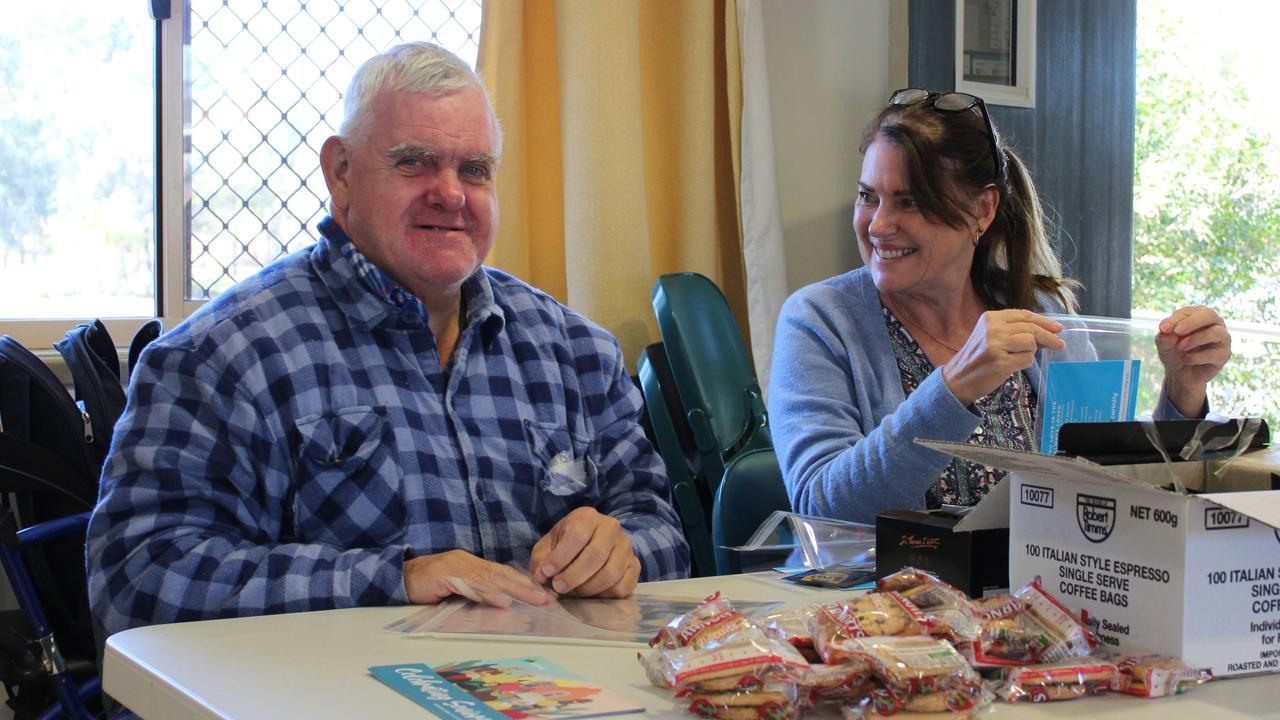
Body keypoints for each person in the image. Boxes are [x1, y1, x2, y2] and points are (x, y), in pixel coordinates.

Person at [87, 42, 690, 637]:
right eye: (414, 162)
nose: (451, 195)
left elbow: (663, 532)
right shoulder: (223, 357)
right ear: (341, 173)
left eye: (474, 170)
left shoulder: (577, 353)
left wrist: (623, 550)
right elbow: (137, 576)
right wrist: (392, 580)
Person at [767, 88, 1232, 525]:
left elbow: (1111, 490)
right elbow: (823, 509)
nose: (879, 224)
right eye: (869, 197)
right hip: (880, 604)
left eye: (909, 202)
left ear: (983, 211)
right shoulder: (820, 320)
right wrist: (953, 389)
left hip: (1033, 595)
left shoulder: (1042, 312)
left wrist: (1182, 394)